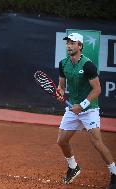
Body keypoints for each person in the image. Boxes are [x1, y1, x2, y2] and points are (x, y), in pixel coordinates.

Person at [56, 33, 116, 187]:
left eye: (73, 43)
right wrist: (60, 92)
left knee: (97, 143)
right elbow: (61, 86)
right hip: (72, 109)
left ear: (80, 46)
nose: (69, 45)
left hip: (89, 109)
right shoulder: (63, 64)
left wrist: (81, 106)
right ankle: (73, 167)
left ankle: (114, 172)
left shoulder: (88, 65)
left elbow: (97, 89)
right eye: (67, 43)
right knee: (62, 141)